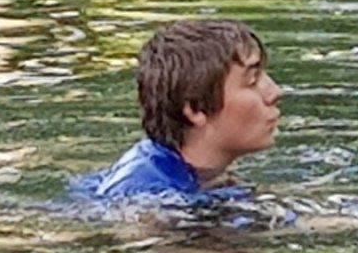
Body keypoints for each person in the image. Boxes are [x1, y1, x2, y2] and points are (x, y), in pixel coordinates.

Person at [78, 18, 282, 203]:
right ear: (195, 109)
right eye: (252, 81)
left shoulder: (177, 172)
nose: (274, 92)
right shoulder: (148, 199)